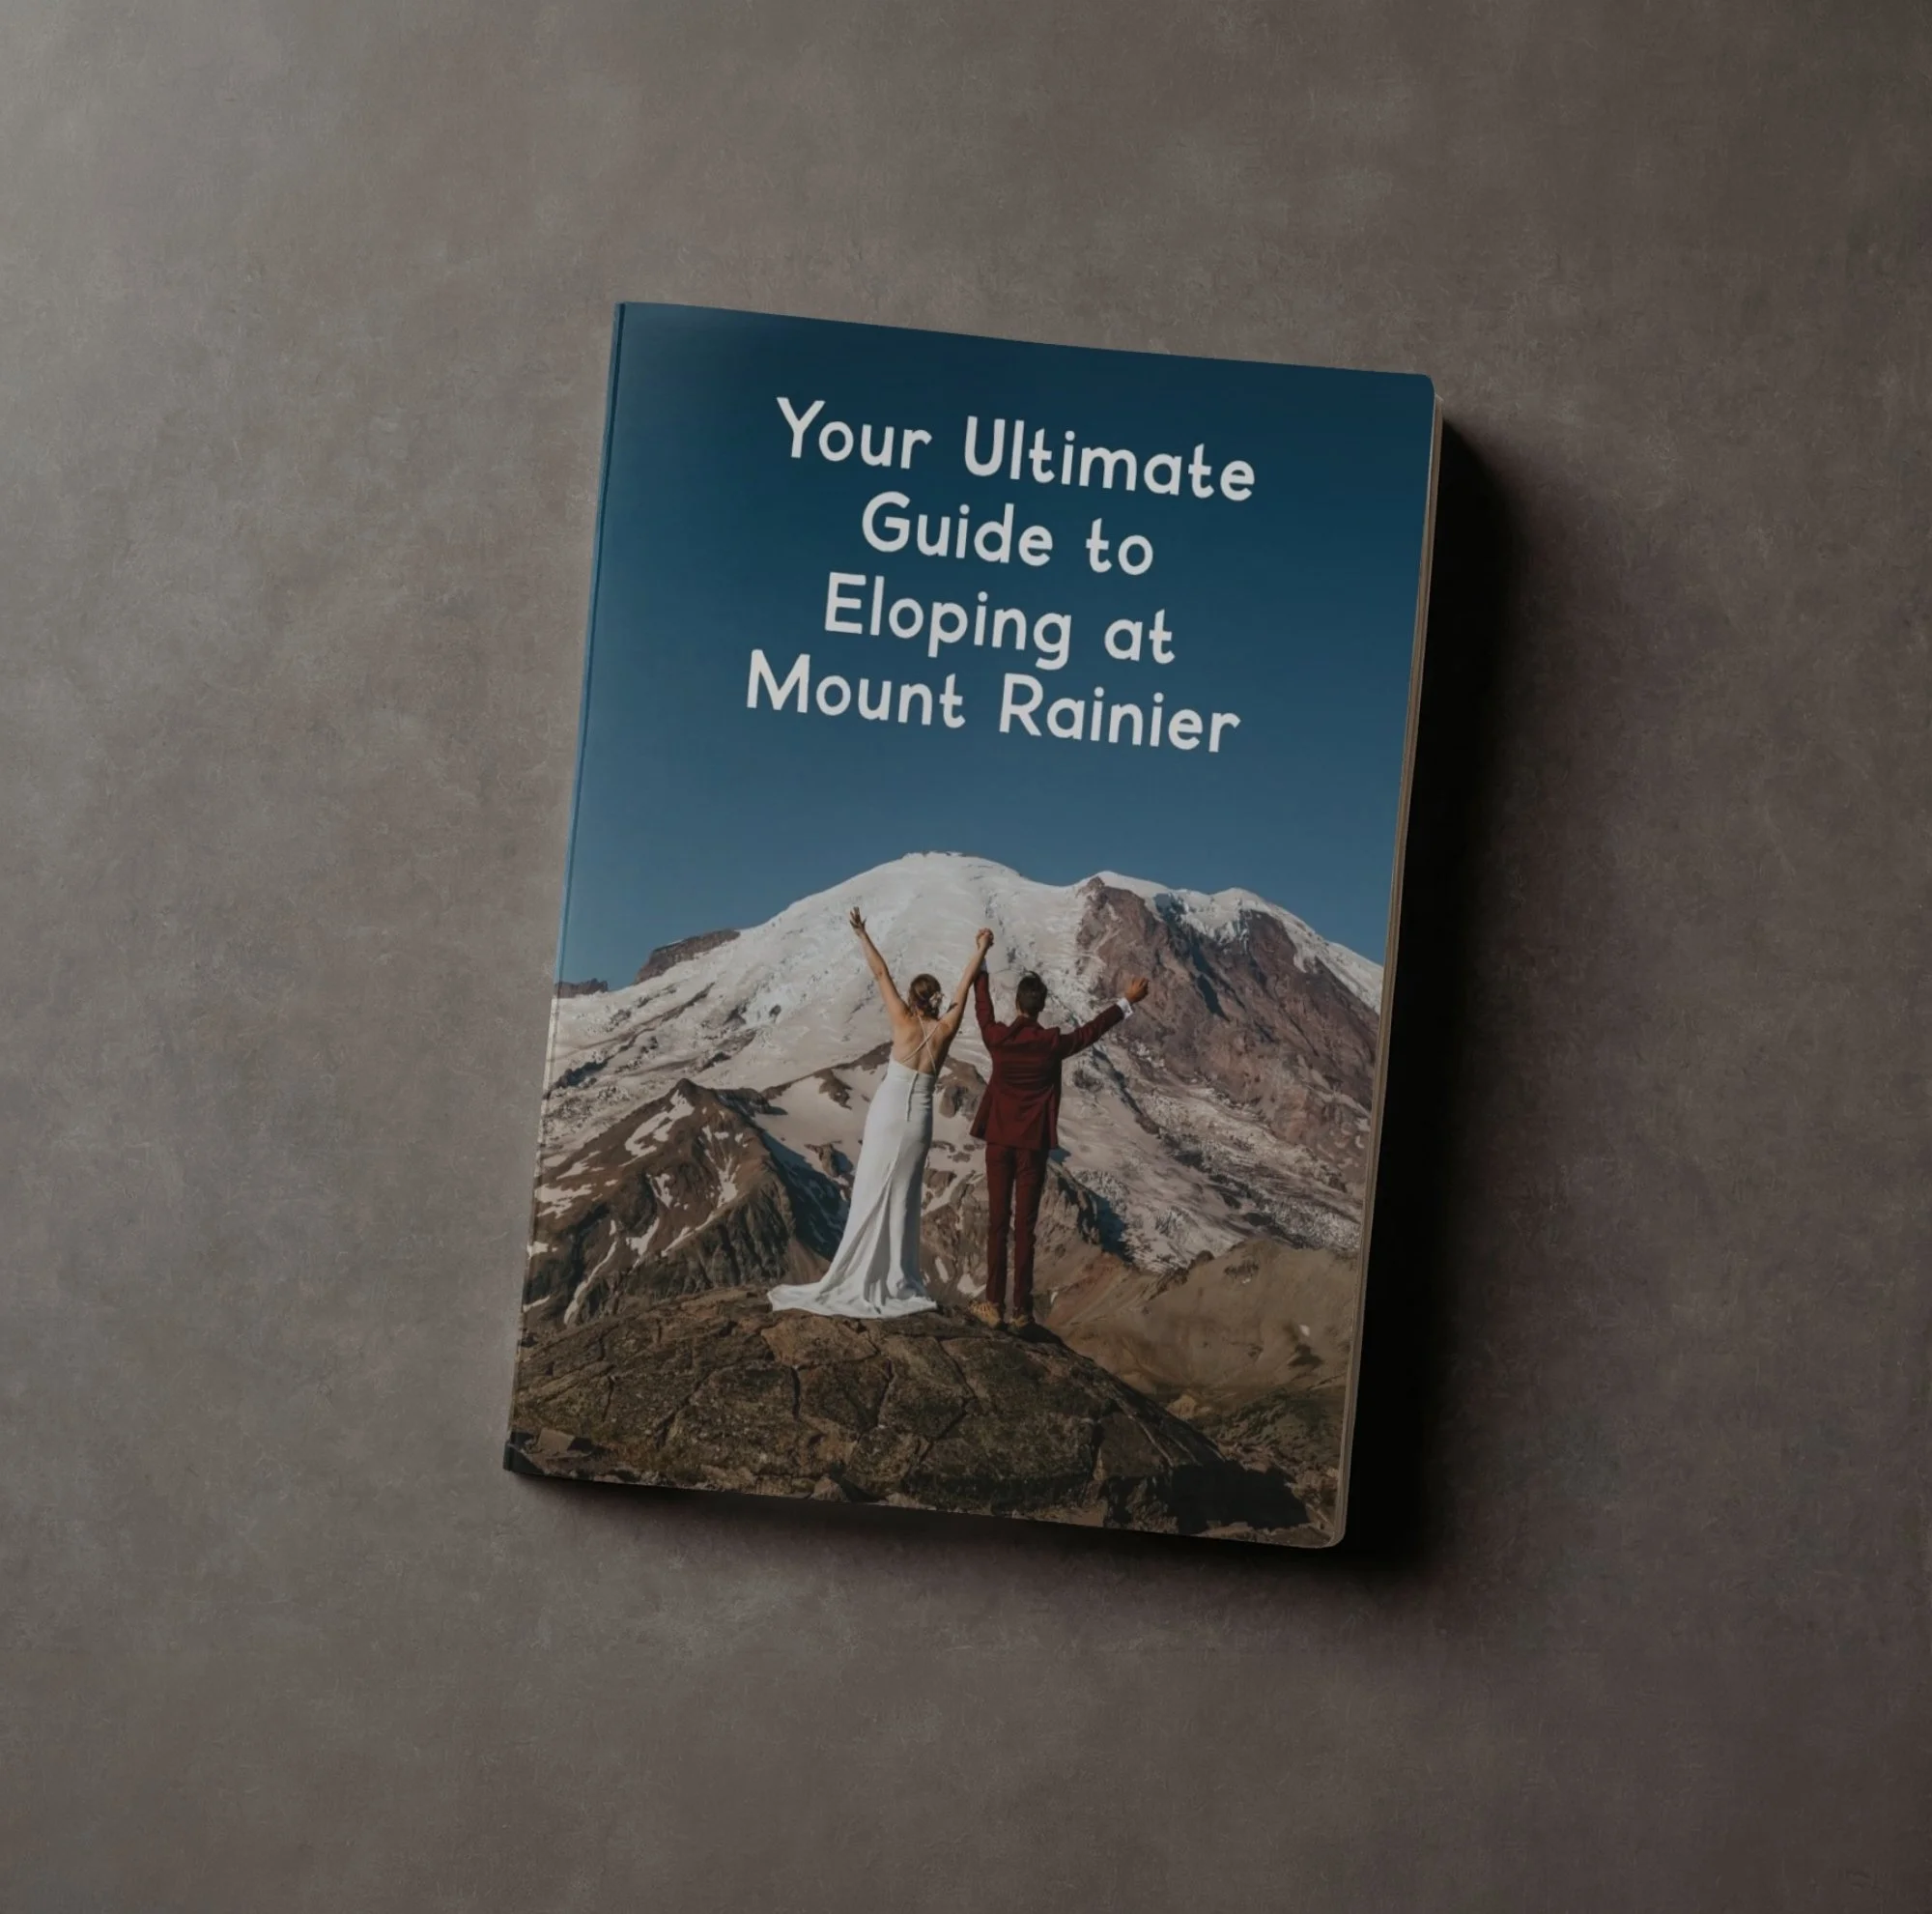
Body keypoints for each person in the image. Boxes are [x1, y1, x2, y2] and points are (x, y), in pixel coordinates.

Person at [769, 913, 992, 1318]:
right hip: (920, 1121)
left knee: (872, 1190)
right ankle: (896, 1277)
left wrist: (861, 932)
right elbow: (963, 985)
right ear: (936, 999)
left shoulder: (903, 1021)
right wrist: (981, 950)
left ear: (913, 998)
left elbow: (879, 972)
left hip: (889, 1113)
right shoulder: (945, 1030)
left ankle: (858, 1271)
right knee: (904, 1198)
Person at [969, 958, 1151, 1330]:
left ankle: (992, 1305)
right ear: (1041, 1007)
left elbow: (983, 1011)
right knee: (1025, 1227)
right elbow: (1090, 1032)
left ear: (1018, 1005)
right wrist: (1126, 1001)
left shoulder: (998, 1039)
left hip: (999, 1142)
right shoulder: (1051, 1044)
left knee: (998, 1224)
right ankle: (1021, 1310)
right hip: (1032, 1145)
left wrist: (982, 968)